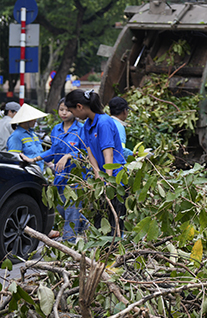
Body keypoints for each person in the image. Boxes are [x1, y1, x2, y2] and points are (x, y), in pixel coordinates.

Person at [65, 89, 127, 234]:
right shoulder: (87, 125)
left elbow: (108, 154)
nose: (72, 114)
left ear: (80, 106)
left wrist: (108, 180)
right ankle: (103, 255)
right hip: (101, 181)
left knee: (114, 225)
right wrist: (97, 174)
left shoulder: (104, 122)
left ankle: (115, 254)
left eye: (72, 110)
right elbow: (90, 153)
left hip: (115, 180)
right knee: (100, 224)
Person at [23, 100, 85, 242]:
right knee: (61, 207)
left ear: (75, 111)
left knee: (71, 209)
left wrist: (68, 156)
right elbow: (53, 151)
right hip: (59, 176)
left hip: (75, 177)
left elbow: (86, 152)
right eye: (61, 109)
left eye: (67, 110)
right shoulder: (56, 129)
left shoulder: (81, 129)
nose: (64, 113)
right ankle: (86, 227)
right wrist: (34, 159)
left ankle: (68, 243)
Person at [7, 103, 48, 171]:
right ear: (25, 121)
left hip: (39, 171)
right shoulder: (16, 136)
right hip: (28, 173)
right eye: (33, 118)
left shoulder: (33, 134)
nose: (35, 120)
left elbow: (39, 153)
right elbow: (14, 158)